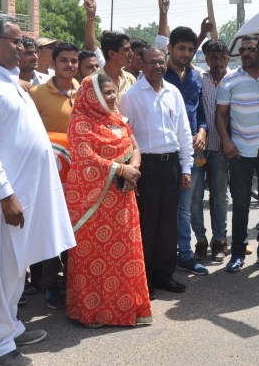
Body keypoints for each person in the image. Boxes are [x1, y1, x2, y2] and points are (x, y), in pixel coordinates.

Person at [0, 15, 75, 366]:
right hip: (2, 200)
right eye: (16, 41)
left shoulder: (8, 80)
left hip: (22, 196)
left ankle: (9, 327)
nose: (24, 48)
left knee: (15, 269)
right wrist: (6, 195)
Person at [65, 73, 152, 327]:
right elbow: (85, 158)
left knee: (123, 255)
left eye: (113, 91)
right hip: (92, 203)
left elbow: (134, 146)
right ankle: (93, 313)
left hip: (122, 198)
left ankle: (125, 309)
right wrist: (122, 170)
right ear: (91, 95)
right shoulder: (81, 122)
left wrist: (133, 169)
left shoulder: (117, 119)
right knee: (92, 257)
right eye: (106, 93)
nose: (112, 97)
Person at [120, 46, 194, 295]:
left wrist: (186, 166)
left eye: (161, 62)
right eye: (152, 62)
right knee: (147, 223)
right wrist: (132, 168)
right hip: (146, 166)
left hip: (171, 163)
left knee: (167, 223)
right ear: (141, 65)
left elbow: (183, 131)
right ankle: (145, 278)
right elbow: (125, 136)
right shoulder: (131, 95)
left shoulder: (173, 92)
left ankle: (164, 274)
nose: (157, 67)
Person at [216, 35, 259, 273]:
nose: (245, 53)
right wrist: (226, 141)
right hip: (240, 150)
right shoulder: (229, 81)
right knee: (241, 203)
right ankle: (238, 253)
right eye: (242, 50)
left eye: (251, 49)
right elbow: (221, 115)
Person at [155, 0, 209, 276]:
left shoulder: (197, 77)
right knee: (163, 208)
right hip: (161, 153)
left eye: (190, 49)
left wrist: (202, 131)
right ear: (170, 48)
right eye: (181, 48)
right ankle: (162, 257)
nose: (186, 53)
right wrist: (163, 11)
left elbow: (199, 111)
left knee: (186, 207)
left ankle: (185, 255)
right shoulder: (157, 75)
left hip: (191, 153)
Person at [28, 42, 81, 310]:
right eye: (64, 60)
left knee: (74, 229)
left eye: (73, 60)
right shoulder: (36, 94)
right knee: (50, 230)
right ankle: (51, 285)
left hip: (80, 177)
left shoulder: (84, 92)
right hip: (49, 176)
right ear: (53, 63)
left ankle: (74, 281)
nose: (69, 65)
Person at [195, 39, 232, 262]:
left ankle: (219, 240)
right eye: (212, 58)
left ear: (228, 58)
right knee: (195, 198)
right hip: (199, 148)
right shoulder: (199, 77)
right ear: (206, 59)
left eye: (221, 58)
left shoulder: (235, 77)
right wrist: (200, 35)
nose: (217, 62)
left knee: (220, 197)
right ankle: (200, 240)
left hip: (222, 148)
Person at [97, 31, 136, 97]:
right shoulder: (92, 82)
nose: (131, 53)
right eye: (126, 50)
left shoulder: (131, 79)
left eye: (130, 49)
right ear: (112, 54)